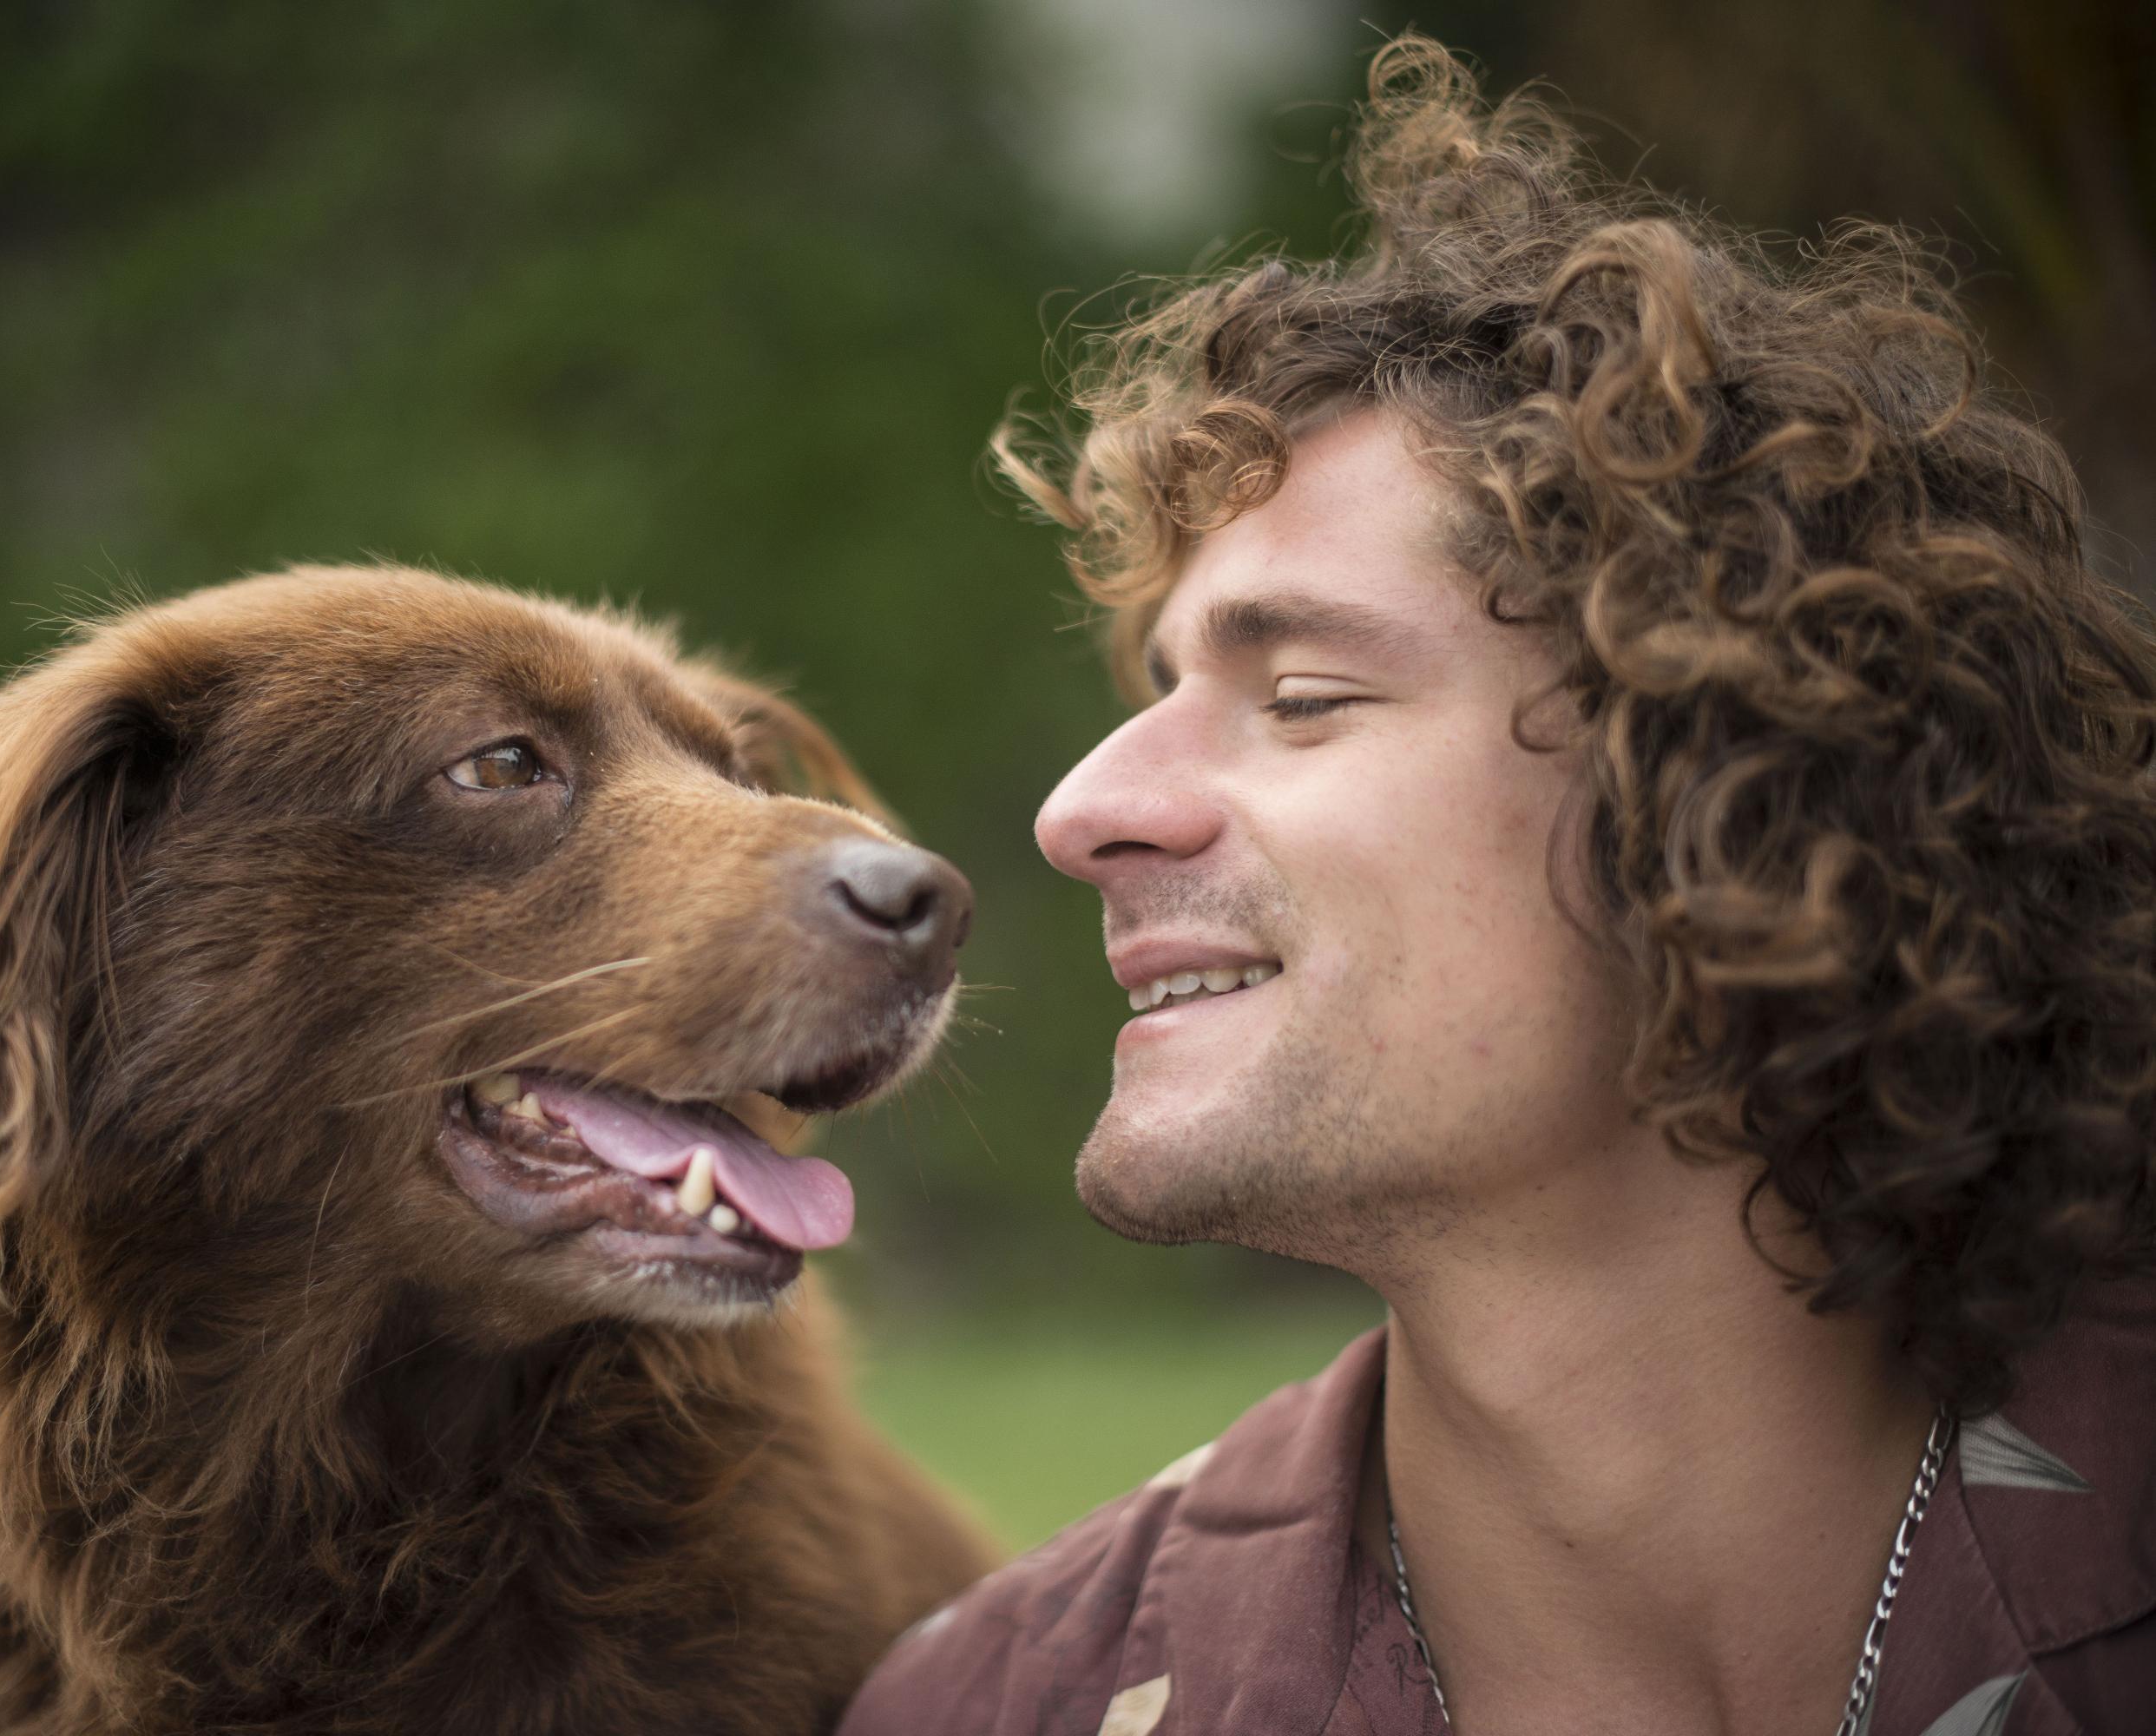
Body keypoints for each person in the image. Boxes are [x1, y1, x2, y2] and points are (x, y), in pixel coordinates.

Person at [841, 36, 2156, 1736]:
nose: (1082, 808)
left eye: (1301, 697)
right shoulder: (1004, 1707)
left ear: (1735, 787)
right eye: (1143, 694)